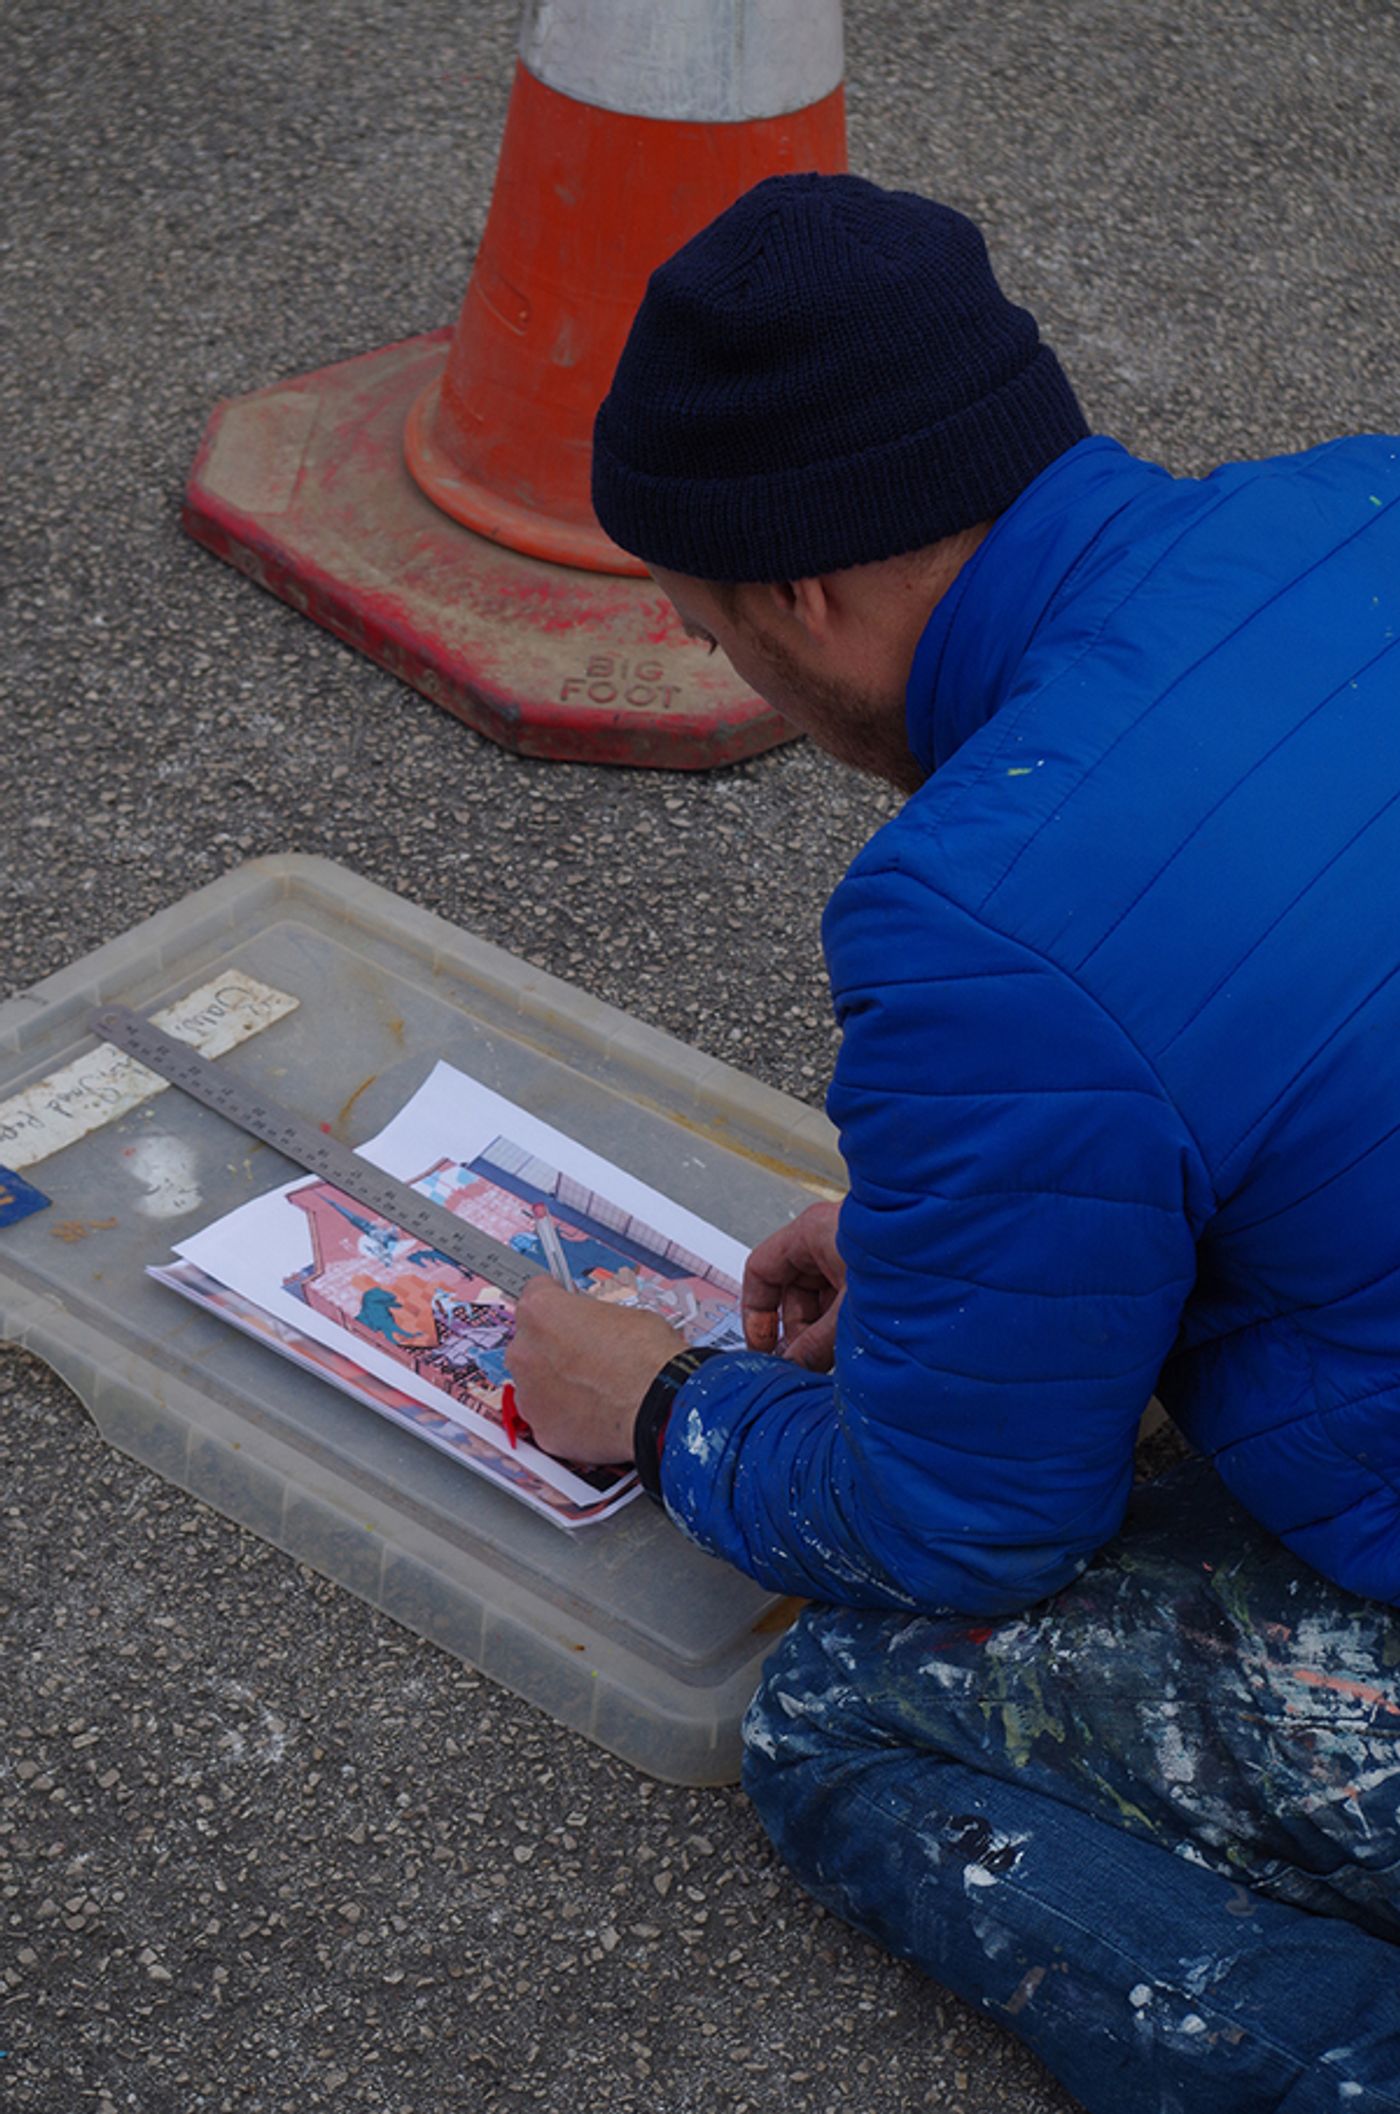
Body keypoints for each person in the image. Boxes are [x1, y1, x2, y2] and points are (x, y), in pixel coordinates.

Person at [507, 173, 1400, 2110]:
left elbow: (959, 1523)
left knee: (838, 1710)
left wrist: (668, 1409)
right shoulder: (1356, 498)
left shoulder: (982, 908)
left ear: (805, 597)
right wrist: (963, 1247)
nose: (756, 687)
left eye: (718, 636)